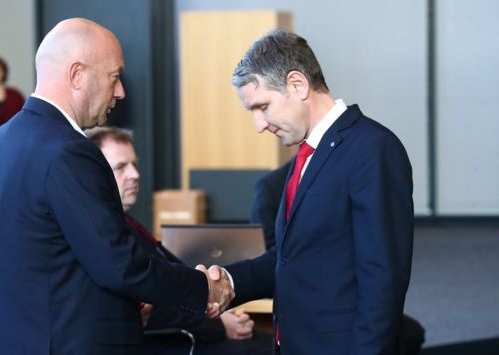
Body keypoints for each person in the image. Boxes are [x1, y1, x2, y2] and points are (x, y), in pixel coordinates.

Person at [0, 18, 233, 355]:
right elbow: (121, 265)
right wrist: (203, 288)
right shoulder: (69, 151)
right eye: (114, 76)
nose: (121, 90)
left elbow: (49, 259)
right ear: (78, 74)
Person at [207, 29, 414, 355]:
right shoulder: (308, 154)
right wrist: (230, 282)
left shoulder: (372, 149)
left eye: (262, 107)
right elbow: (292, 258)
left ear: (298, 85)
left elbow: (382, 282)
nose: (259, 125)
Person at [87, 126, 273, 355]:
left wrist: (218, 309)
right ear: (95, 173)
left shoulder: (130, 225)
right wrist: (217, 324)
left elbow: (175, 277)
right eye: (121, 167)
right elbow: (150, 303)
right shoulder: (107, 233)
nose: (135, 175)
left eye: (134, 165)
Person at [250, 163, 425, 355]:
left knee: (409, 332)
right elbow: (271, 250)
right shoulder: (273, 184)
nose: (261, 130)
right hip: (298, 305)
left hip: (346, 305)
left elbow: (381, 263)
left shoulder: (361, 161)